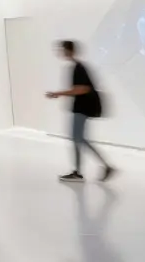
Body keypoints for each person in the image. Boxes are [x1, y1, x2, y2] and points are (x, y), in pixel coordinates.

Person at [48, 41, 114, 183]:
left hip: (83, 108)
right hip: (81, 107)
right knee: (78, 139)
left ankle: (99, 167)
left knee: (78, 139)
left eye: (63, 49)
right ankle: (80, 171)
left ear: (69, 50)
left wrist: (58, 93)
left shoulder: (79, 68)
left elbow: (82, 89)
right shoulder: (77, 67)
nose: (61, 52)